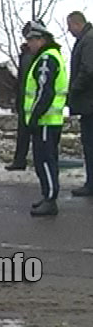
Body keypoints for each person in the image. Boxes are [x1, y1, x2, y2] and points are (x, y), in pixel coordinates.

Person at [22, 21, 68, 217]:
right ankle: (47, 194)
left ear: (40, 40)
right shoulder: (51, 56)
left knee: (45, 160)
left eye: (31, 40)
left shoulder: (46, 59)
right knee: (46, 159)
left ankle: (50, 198)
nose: (28, 44)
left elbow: (44, 92)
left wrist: (34, 117)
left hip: (45, 121)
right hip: (49, 120)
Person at [6, 21, 39, 171]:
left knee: (36, 133)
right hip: (25, 98)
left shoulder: (40, 55)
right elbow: (22, 78)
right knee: (23, 132)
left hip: (34, 99)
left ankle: (31, 160)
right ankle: (20, 160)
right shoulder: (26, 54)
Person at [67, 11, 93, 196]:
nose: (68, 30)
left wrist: (74, 88)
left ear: (77, 24)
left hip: (89, 102)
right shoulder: (86, 39)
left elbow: (88, 69)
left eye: (69, 26)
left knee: (90, 143)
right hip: (88, 102)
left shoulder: (88, 40)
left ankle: (91, 184)